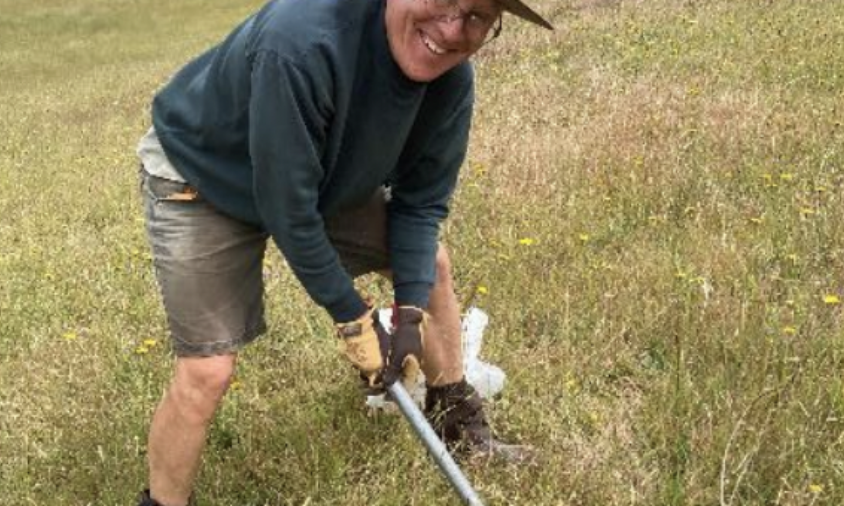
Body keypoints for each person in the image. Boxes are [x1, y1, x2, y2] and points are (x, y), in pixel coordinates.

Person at [135, 0, 552, 503]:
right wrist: (353, 318)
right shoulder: (301, 41)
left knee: (428, 269)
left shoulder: (451, 83)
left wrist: (410, 313)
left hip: (314, 171)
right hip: (204, 173)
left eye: (478, 18)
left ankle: (457, 424)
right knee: (207, 370)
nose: (451, 29)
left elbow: (419, 207)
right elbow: (288, 211)